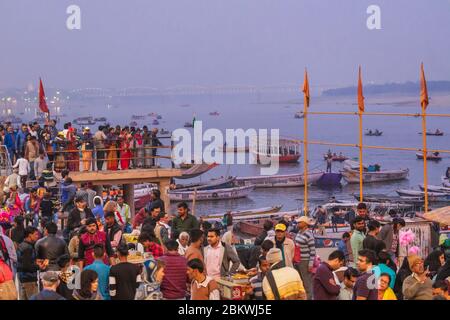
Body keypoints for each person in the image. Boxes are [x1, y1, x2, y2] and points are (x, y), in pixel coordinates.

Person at [16, 226, 42, 300]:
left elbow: (24, 261)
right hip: (29, 279)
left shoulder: (22, 245)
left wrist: (35, 261)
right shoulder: (27, 247)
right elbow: (27, 266)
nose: (38, 236)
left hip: (22, 278)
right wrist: (39, 266)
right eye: (36, 234)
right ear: (30, 235)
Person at [294, 216, 316, 300]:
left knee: (307, 282)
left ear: (305, 224)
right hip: (298, 260)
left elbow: (313, 251)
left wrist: (310, 264)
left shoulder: (309, 235)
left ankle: (309, 298)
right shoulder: (299, 232)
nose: (298, 223)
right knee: (301, 281)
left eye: (300, 222)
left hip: (305, 261)